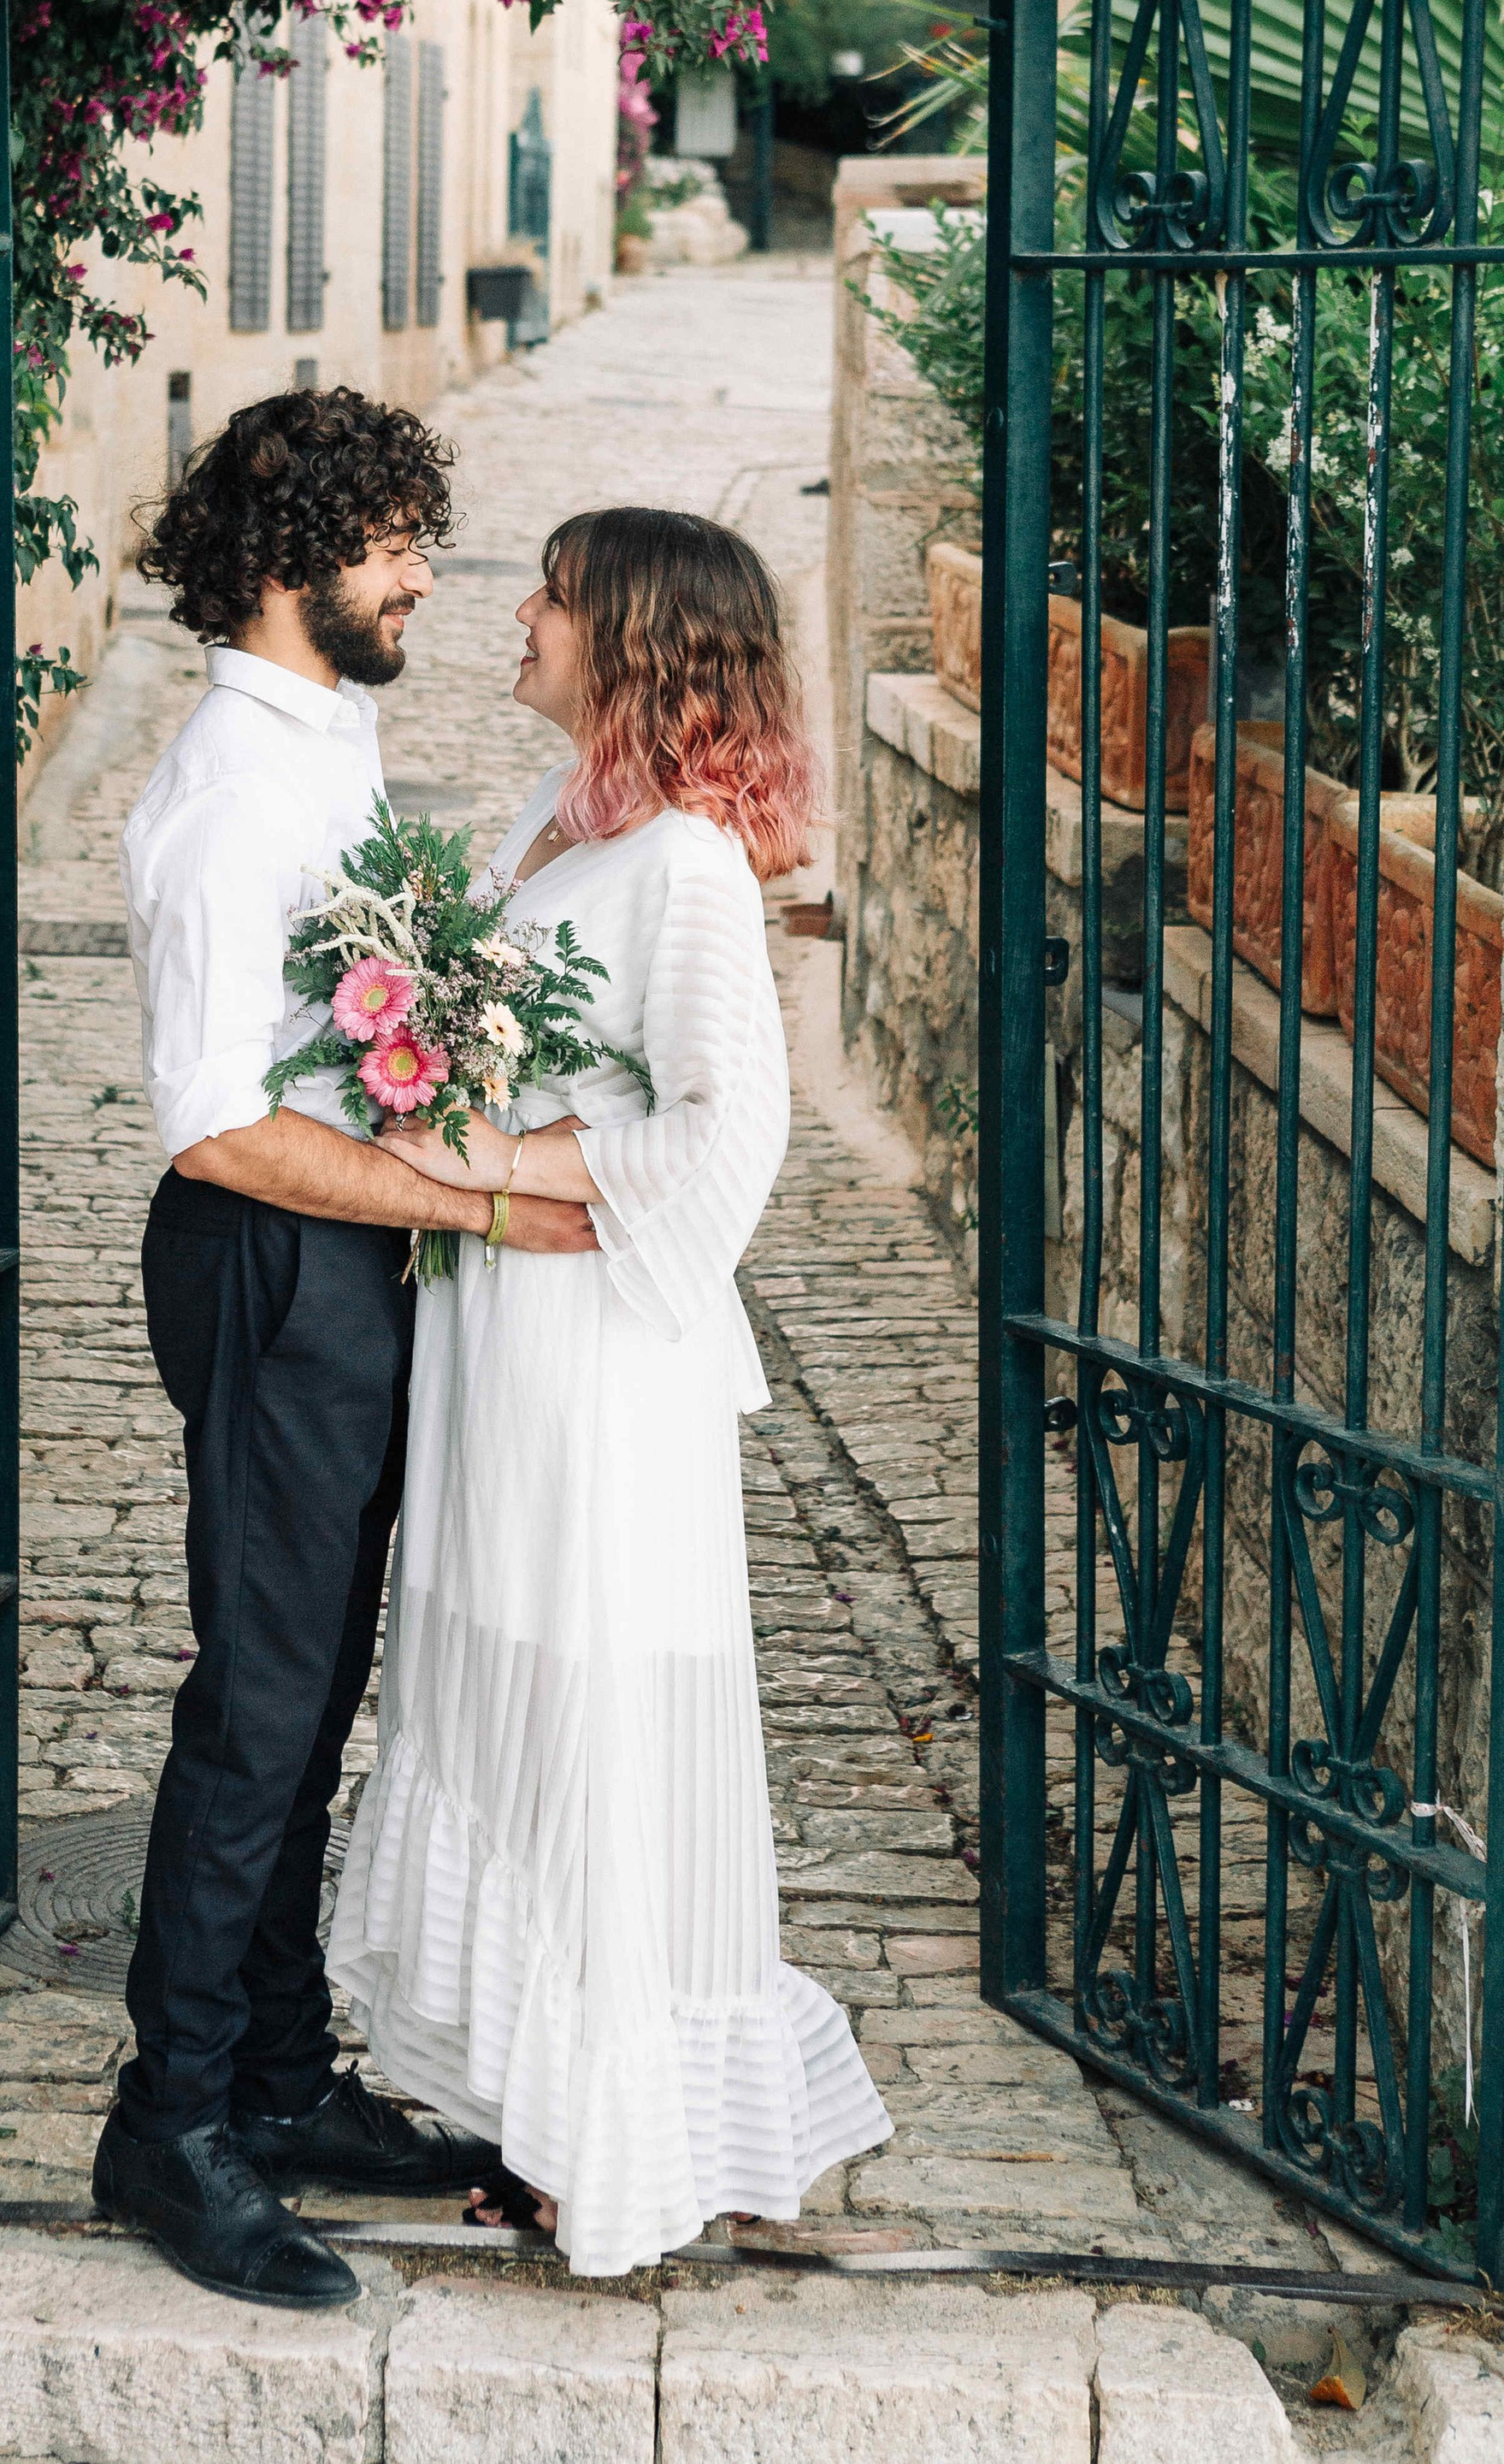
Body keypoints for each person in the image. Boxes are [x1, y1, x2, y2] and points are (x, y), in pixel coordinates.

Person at [328, 505, 894, 2274]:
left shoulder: (689, 871)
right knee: (488, 1670)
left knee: (584, 1699)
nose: (518, 615)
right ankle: (520, 2088)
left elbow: (733, 1130)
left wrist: (515, 1154)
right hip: (494, 1329)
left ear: (633, 643)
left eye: (553, 599)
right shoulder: (547, 823)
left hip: (594, 1352)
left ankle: (618, 2135)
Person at [92, 384, 602, 2311]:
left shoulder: (327, 741)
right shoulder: (232, 784)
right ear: (297, 557)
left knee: (310, 1699)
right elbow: (215, 1116)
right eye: (394, 540)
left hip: (341, 1259)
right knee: (258, 1702)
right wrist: (477, 1207)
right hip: (269, 1258)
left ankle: (280, 2080)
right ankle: (173, 2123)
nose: (419, 573)